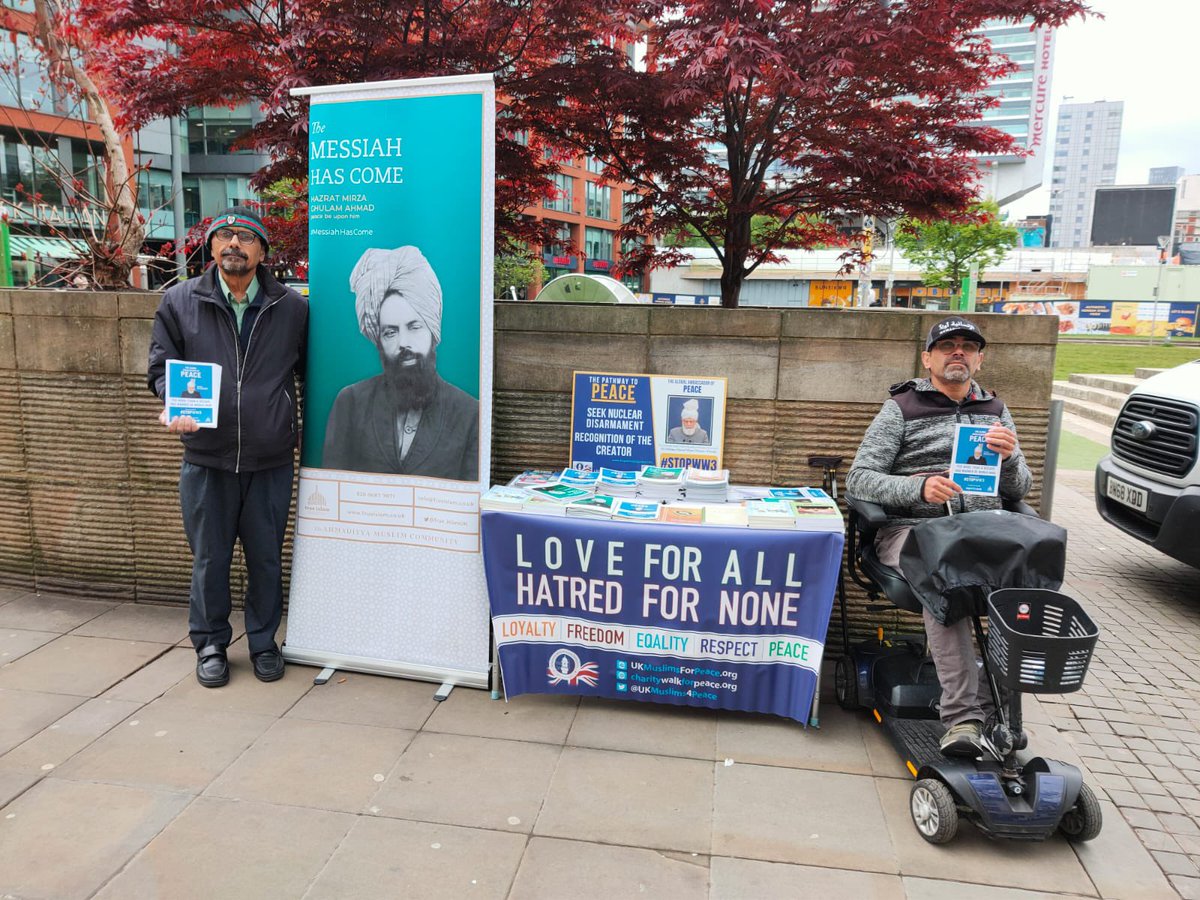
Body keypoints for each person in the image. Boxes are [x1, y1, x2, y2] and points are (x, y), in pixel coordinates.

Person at [846, 316, 1031, 757]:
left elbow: (1019, 489)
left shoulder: (996, 411)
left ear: (979, 360)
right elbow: (858, 479)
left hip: (981, 530)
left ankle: (1003, 713)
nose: (958, 352)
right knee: (944, 578)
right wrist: (918, 486)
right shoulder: (902, 408)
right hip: (914, 530)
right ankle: (964, 718)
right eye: (947, 345)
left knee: (1032, 574)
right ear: (927, 358)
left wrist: (1008, 460)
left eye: (968, 346)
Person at [147, 207, 308, 689]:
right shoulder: (179, 301)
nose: (232, 244)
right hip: (206, 457)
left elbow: (310, 373)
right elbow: (161, 368)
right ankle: (211, 643)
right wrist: (167, 402)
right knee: (209, 558)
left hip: (270, 459)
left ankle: (263, 643)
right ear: (211, 246)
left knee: (265, 558)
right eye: (223, 236)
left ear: (263, 251)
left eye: (245, 237)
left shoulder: (292, 307)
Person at [322, 246, 479, 480]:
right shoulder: (351, 402)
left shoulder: (469, 412)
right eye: (390, 333)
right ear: (379, 341)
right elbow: (332, 488)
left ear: (433, 332)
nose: (403, 343)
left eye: (414, 327)